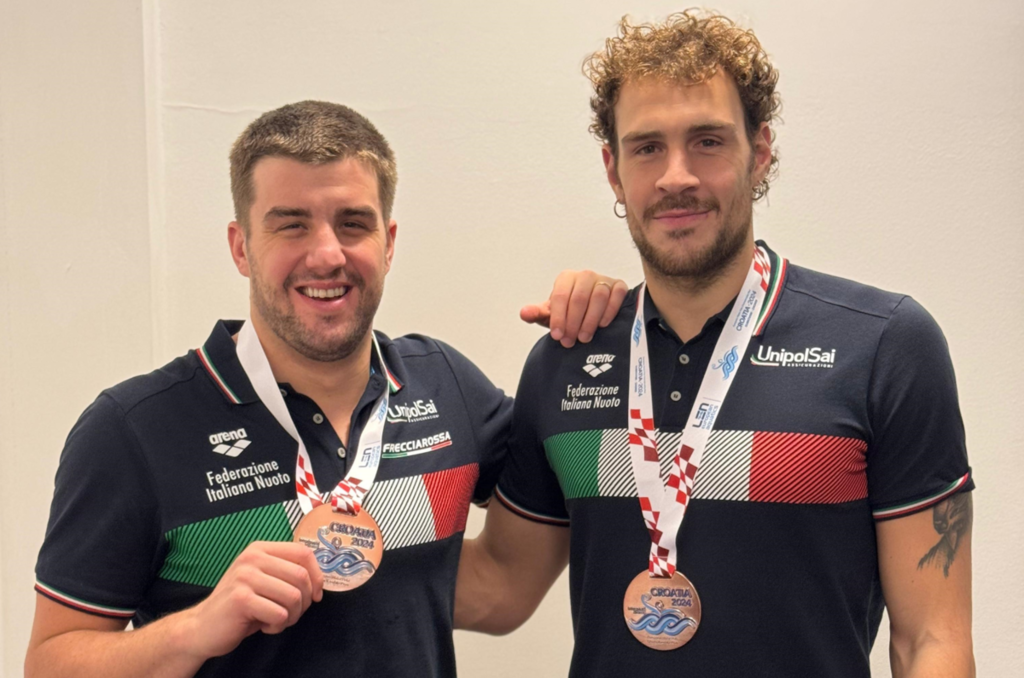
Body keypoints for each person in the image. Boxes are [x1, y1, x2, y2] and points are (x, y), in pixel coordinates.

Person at [24, 100, 628, 678]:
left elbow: (504, 584)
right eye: (291, 226)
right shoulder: (133, 430)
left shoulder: (447, 386)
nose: (327, 255)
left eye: (353, 224)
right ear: (241, 247)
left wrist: (596, 331)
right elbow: (50, 663)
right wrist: (196, 628)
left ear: (389, 243)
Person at [455, 11, 975, 678]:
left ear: (759, 152)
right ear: (614, 170)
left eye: (707, 141)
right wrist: (335, 545)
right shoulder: (567, 359)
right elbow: (497, 589)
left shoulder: (882, 346)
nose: (676, 176)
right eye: (647, 147)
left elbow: (931, 637)